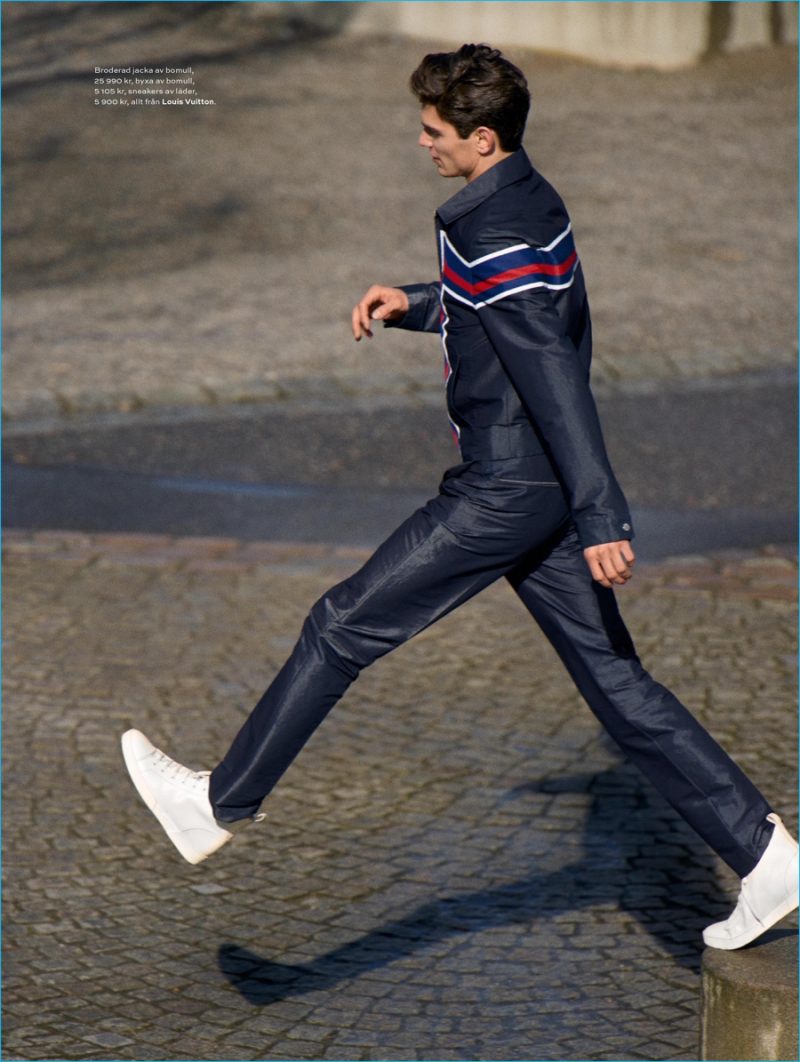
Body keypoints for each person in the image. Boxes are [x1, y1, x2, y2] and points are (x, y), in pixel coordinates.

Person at [122, 44, 797, 951]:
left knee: (340, 624)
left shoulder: (492, 228)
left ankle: (216, 803)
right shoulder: (528, 197)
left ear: (482, 138)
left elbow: (552, 371)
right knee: (620, 688)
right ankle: (766, 856)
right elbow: (509, 311)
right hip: (541, 487)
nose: (421, 142)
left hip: (508, 489)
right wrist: (416, 301)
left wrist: (604, 515)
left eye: (435, 131)